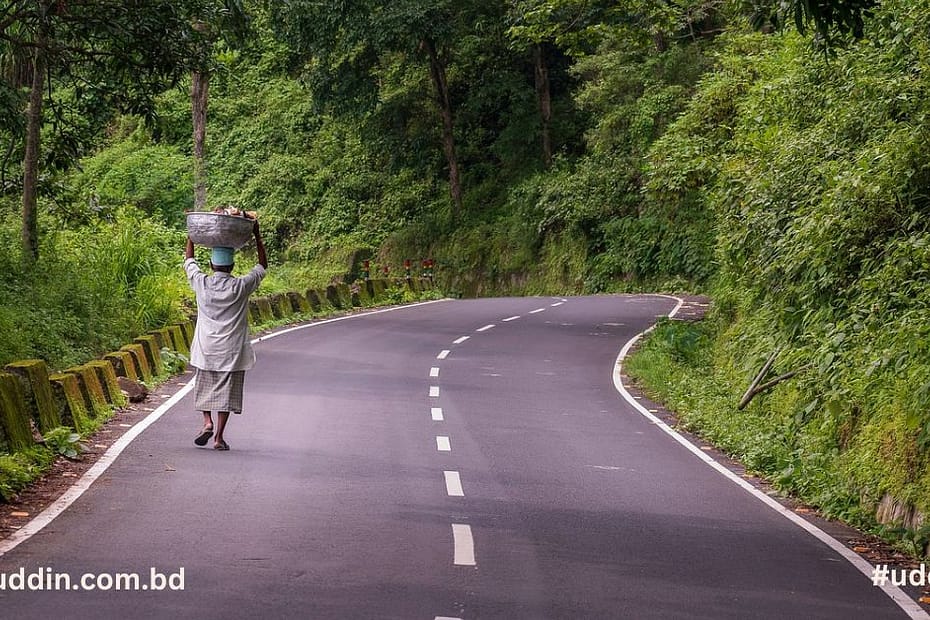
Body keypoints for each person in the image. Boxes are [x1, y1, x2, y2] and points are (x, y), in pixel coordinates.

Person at [184, 219, 267, 450]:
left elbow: (189, 261)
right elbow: (262, 267)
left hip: (206, 348)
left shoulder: (202, 283)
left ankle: (206, 421)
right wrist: (258, 236)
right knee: (227, 394)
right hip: (231, 351)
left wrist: (193, 232)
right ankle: (219, 438)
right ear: (231, 267)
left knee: (204, 387)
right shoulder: (241, 287)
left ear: (211, 265)